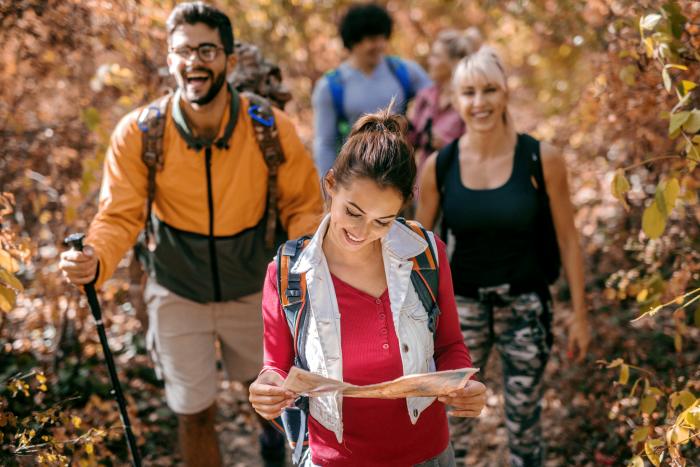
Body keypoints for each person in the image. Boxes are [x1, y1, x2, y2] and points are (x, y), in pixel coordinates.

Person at [57, 3, 323, 467]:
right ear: (169, 58)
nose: (193, 61)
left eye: (206, 50)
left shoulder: (269, 129)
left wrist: (299, 275)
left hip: (254, 288)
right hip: (177, 288)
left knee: (271, 398)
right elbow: (119, 216)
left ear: (230, 61)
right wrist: (95, 260)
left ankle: (272, 447)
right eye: (182, 50)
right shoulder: (140, 134)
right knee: (192, 412)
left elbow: (303, 208)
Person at [249, 107, 487, 467]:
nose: (361, 233)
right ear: (330, 185)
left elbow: (450, 345)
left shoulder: (426, 254)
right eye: (354, 212)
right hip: (334, 459)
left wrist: (464, 386)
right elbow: (277, 368)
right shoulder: (289, 273)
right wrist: (267, 389)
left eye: (382, 221)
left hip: (428, 455)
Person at [415, 46, 590, 466]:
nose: (480, 103)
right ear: (455, 100)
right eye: (469, 93)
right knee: (450, 425)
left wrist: (581, 315)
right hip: (461, 311)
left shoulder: (541, 158)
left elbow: (568, 239)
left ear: (506, 93)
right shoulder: (441, 165)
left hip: (525, 308)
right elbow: (418, 249)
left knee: (525, 427)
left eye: (490, 90)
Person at [312, 2, 433, 178]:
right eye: (371, 39)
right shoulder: (331, 86)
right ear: (353, 41)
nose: (379, 45)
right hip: (355, 176)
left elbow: (438, 98)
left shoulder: (404, 71)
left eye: (382, 37)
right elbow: (325, 143)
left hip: (402, 175)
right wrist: (328, 192)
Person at [408, 27, 482, 173]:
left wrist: (445, 144)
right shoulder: (424, 96)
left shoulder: (471, 102)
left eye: (436, 56)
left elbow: (478, 152)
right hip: (421, 189)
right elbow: (411, 143)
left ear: (455, 62)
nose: (430, 61)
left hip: (455, 188)